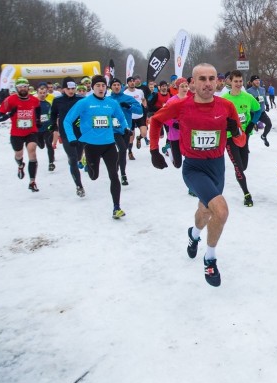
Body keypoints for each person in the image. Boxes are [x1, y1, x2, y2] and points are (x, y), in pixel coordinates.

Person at [148, 63, 245, 287]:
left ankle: (193, 233)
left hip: (217, 167)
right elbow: (156, 120)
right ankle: (210, 258)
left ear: (218, 82)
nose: (208, 83)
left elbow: (240, 141)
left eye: (212, 78)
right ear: (192, 83)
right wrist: (154, 150)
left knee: (206, 211)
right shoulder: (181, 106)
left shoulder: (226, 106)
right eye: (202, 79)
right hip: (194, 167)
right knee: (220, 210)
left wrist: (236, 130)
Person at [63, 75, 130, 219]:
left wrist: (126, 128)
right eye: (98, 85)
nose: (101, 88)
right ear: (92, 87)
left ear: (107, 88)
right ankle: (86, 160)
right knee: (94, 177)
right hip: (91, 145)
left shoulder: (111, 103)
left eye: (103, 85)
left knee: (114, 175)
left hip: (109, 144)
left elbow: (121, 117)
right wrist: (71, 138)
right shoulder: (85, 103)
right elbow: (67, 121)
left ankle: (116, 207)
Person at [222, 70, 262, 206]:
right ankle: (246, 194)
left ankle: (239, 173)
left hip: (244, 136)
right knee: (238, 167)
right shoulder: (224, 100)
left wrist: (251, 124)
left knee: (243, 166)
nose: (238, 84)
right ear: (230, 82)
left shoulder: (248, 97)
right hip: (229, 137)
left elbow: (258, 110)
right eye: (235, 81)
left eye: (240, 81)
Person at [0, 77, 41, 192]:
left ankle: (32, 181)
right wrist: (10, 114)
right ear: (16, 88)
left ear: (28, 87)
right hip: (16, 133)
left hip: (31, 131)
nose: (23, 89)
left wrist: (38, 121)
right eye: (20, 87)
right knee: (18, 154)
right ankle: (20, 165)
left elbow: (38, 110)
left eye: (25, 86)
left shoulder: (34, 100)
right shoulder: (10, 100)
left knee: (32, 151)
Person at [50, 77, 86, 197]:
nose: (71, 91)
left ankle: (79, 160)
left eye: (73, 88)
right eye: (68, 88)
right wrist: (53, 127)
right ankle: (79, 186)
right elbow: (53, 116)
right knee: (73, 159)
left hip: (80, 133)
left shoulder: (81, 99)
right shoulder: (57, 101)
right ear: (63, 89)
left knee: (79, 156)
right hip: (66, 134)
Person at [109, 77, 142, 186]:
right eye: (114, 85)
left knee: (122, 152)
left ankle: (118, 170)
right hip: (113, 130)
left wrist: (129, 106)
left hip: (126, 129)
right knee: (123, 149)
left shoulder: (128, 98)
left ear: (121, 86)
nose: (116, 87)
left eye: (118, 85)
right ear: (111, 87)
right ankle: (123, 174)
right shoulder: (107, 100)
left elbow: (139, 110)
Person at [123, 76, 146, 157]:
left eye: (133, 81)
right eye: (130, 81)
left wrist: (145, 105)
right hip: (130, 117)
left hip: (140, 116)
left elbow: (143, 99)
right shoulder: (125, 93)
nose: (132, 82)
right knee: (130, 137)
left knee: (144, 133)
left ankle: (139, 138)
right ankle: (130, 152)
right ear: (127, 83)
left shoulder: (140, 91)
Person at [35, 83, 55, 171]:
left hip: (47, 128)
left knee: (49, 144)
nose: (42, 94)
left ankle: (51, 163)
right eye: (41, 93)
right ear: (37, 93)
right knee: (41, 146)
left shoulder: (48, 103)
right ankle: (39, 142)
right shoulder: (34, 103)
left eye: (44, 93)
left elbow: (51, 115)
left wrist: (52, 125)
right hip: (38, 129)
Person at [246, 75, 272, 146]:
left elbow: (264, 97)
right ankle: (246, 146)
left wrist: (267, 105)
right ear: (252, 82)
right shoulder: (248, 91)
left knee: (269, 124)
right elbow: (247, 103)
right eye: (255, 80)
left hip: (262, 112)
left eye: (258, 80)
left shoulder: (262, 89)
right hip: (253, 113)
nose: (257, 82)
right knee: (248, 130)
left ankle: (263, 136)